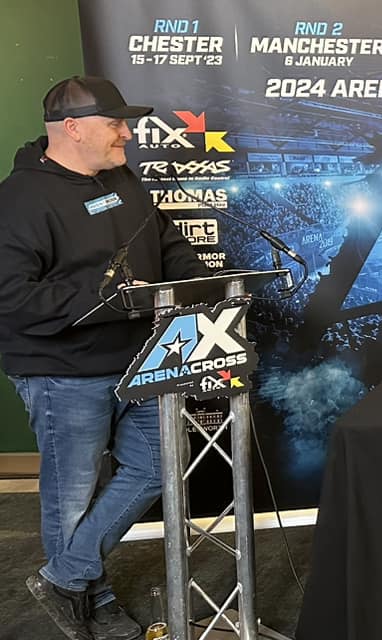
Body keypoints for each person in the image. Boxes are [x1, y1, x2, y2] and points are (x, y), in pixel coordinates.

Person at [0, 76, 213, 640]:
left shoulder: (122, 180)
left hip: (139, 360)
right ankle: (93, 602)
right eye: (115, 123)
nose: (128, 133)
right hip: (62, 373)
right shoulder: (19, 199)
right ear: (72, 128)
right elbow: (11, 296)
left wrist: (196, 282)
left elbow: (165, 243)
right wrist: (110, 299)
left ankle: (66, 577)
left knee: (160, 466)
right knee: (72, 496)